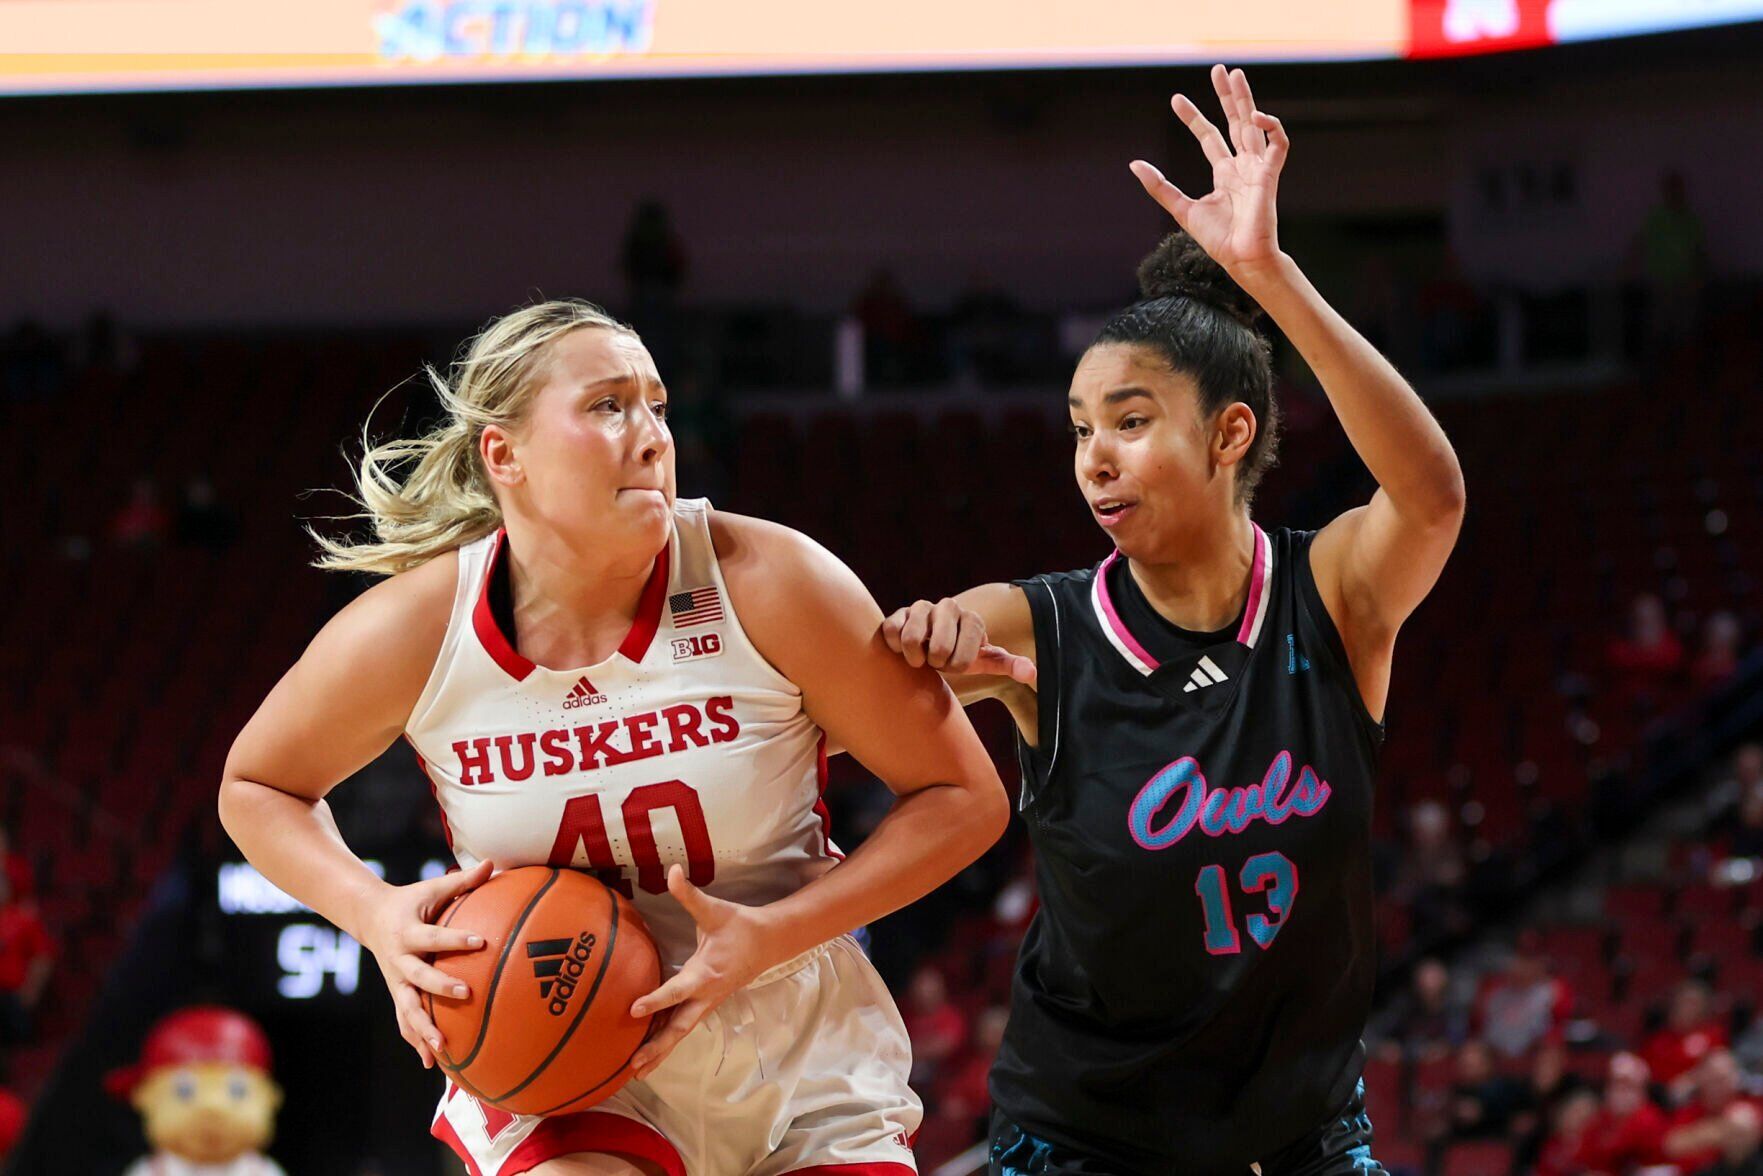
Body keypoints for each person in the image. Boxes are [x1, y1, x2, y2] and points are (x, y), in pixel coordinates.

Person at [218, 300, 1009, 1176]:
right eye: (606, 406)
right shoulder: (416, 628)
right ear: (503, 453)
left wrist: (772, 932)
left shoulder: (768, 579)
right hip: (563, 1046)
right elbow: (257, 786)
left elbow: (961, 798)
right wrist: (373, 913)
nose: (651, 436)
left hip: (791, 1035)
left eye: (657, 407)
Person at [881, 65, 1465, 1174]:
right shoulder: (1031, 624)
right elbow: (835, 690)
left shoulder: (1331, 593)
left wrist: (1272, 278)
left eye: (1131, 420)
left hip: (1301, 1136)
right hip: (1084, 1141)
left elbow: (1431, 495)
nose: (1092, 456)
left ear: (1230, 433)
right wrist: (914, 641)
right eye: (1077, 428)